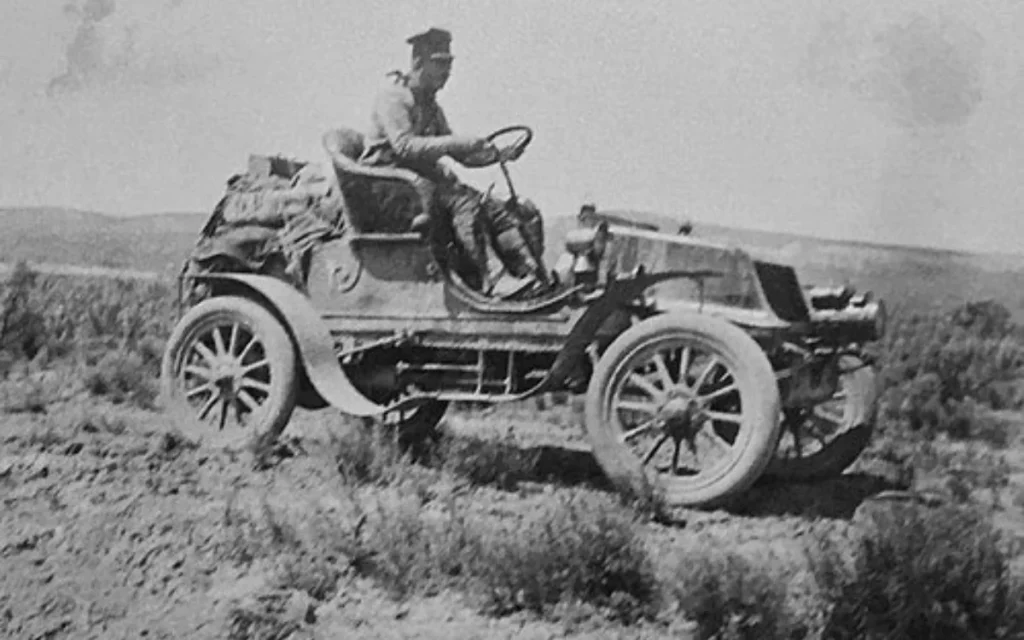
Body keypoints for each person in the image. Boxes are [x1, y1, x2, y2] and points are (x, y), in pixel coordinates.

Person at [359, 27, 549, 294]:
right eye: (439, 64)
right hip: (387, 189)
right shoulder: (394, 97)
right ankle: (492, 279)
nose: (447, 73)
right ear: (417, 63)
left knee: (493, 207)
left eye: (448, 65)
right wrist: (458, 142)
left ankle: (531, 274)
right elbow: (404, 146)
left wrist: (499, 154)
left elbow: (462, 156)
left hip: (417, 188)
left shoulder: (431, 107)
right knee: (464, 204)